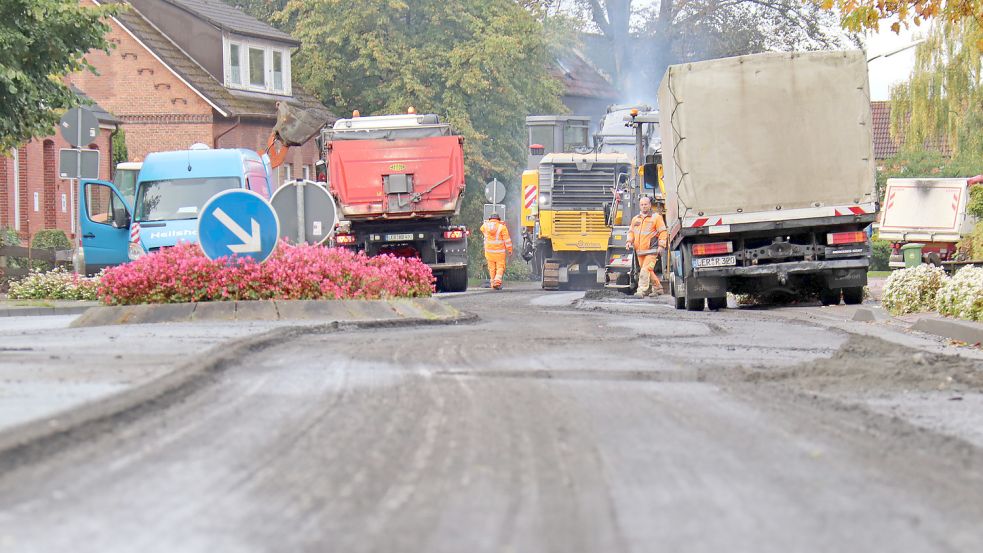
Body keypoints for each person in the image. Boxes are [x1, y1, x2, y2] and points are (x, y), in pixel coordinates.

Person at [626, 196, 668, 297]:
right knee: (648, 270)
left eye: (646, 204)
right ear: (640, 206)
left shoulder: (656, 217)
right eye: (642, 205)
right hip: (639, 251)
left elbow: (663, 232)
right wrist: (628, 241)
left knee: (645, 270)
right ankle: (658, 288)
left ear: (650, 205)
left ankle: (641, 290)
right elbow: (631, 232)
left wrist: (661, 246)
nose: (644, 206)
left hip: (651, 251)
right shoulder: (635, 219)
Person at [480, 213, 513, 290]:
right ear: (499, 219)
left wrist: (487, 223)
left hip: (489, 252)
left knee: (491, 268)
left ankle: (492, 284)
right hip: (499, 252)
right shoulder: (502, 227)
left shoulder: (485, 226)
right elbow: (507, 240)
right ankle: (497, 282)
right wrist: (510, 250)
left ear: (490, 219)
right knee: (500, 267)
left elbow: (481, 228)